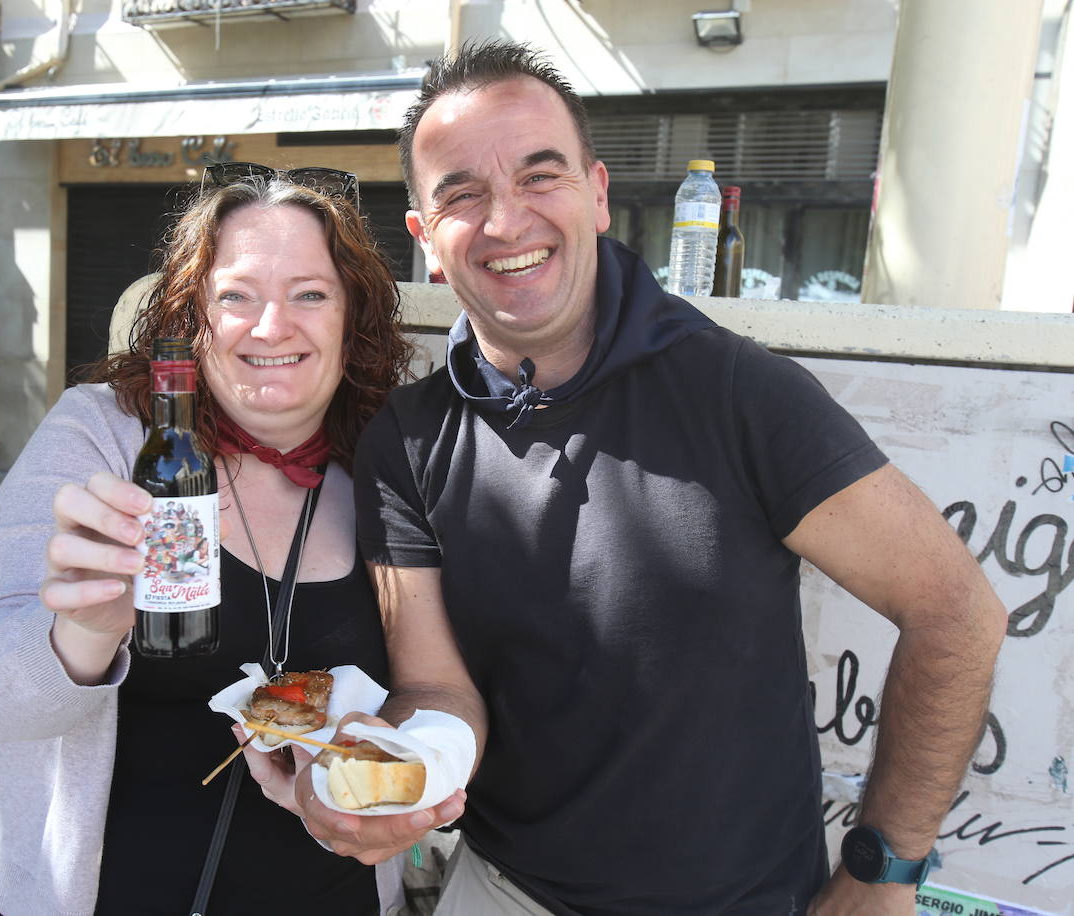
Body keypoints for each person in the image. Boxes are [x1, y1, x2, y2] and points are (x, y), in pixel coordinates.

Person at [281, 41, 1008, 916]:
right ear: (427, 238)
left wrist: (884, 869)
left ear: (597, 194)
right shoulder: (409, 436)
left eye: (539, 176)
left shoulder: (739, 393)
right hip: (503, 892)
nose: (506, 222)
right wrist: (389, 775)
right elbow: (437, 688)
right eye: (463, 194)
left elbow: (956, 612)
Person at [0, 169, 415, 915]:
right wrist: (81, 632)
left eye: (310, 293)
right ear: (192, 314)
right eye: (236, 295)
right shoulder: (102, 434)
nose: (271, 327)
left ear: (351, 315)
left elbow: (437, 688)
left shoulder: (391, 464)